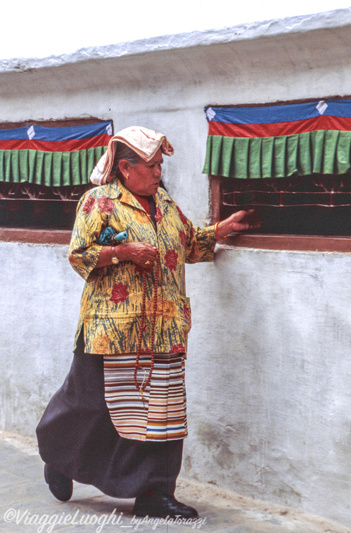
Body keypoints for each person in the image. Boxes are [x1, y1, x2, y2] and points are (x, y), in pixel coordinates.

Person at [36, 126, 261, 519]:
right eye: (152, 165)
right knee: (90, 407)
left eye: (160, 165)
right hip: (111, 330)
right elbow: (79, 255)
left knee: (164, 413)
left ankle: (155, 494)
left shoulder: (165, 204)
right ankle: (60, 459)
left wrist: (222, 230)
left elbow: (188, 243)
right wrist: (122, 251)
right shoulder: (99, 202)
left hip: (165, 328)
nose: (159, 172)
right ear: (125, 168)